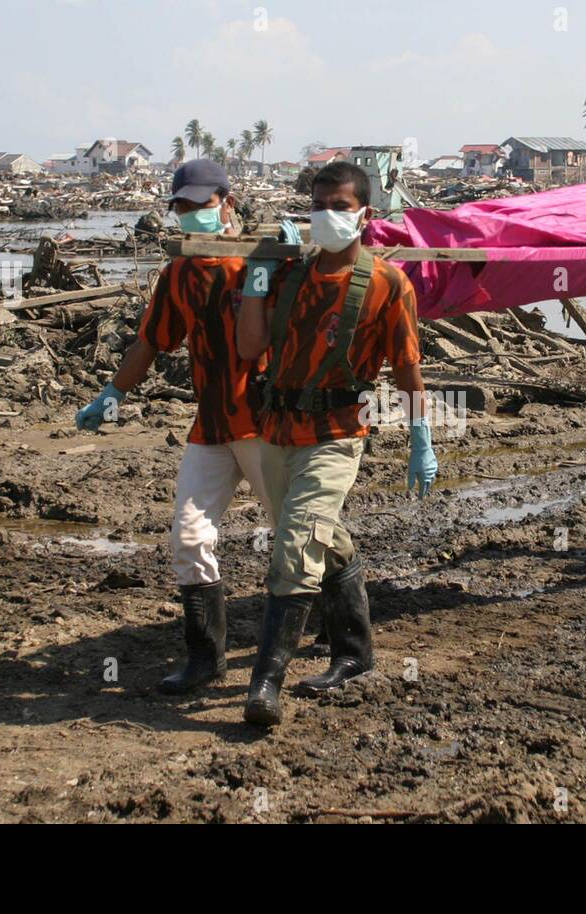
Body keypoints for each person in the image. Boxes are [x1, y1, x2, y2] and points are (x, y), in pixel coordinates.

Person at [235, 161, 437, 726]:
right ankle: (355, 651)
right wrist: (254, 284)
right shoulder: (290, 275)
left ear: (364, 214)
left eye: (340, 207)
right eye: (319, 205)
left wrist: (421, 437)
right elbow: (251, 349)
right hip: (277, 432)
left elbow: (407, 369)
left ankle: (265, 685)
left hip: (336, 435)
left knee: (296, 547)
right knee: (320, 537)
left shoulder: (385, 284)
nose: (327, 216)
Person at [76, 159, 273, 694]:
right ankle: (206, 658)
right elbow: (151, 341)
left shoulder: (262, 264)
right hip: (211, 425)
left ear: (227, 205)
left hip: (264, 424)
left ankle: (342, 631)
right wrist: (114, 392)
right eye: (182, 207)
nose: (191, 216)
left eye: (201, 206)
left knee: (300, 537)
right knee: (189, 536)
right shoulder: (179, 273)